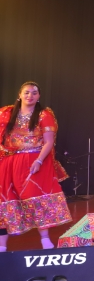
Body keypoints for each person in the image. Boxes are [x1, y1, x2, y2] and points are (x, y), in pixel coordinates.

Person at [0, 82, 72, 251]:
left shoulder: (43, 115)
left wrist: (39, 161)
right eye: (26, 92)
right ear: (20, 95)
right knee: (4, 200)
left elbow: (48, 142)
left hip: (33, 162)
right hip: (9, 162)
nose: (30, 96)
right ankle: (2, 245)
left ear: (39, 96)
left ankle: (45, 240)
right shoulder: (7, 113)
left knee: (36, 198)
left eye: (34, 93)